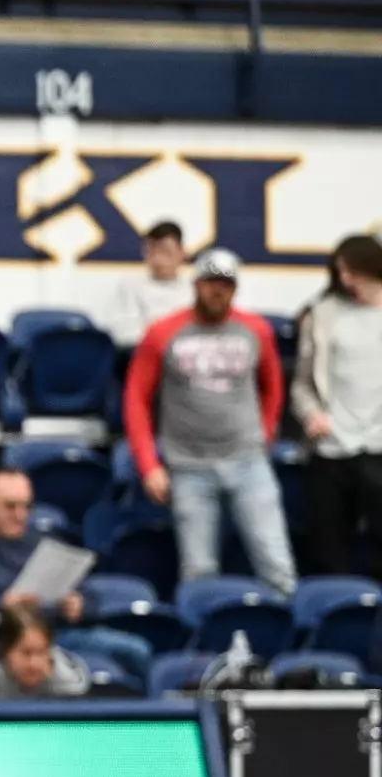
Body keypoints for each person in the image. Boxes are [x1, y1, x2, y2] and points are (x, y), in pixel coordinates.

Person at [124, 247, 298, 597]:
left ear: (234, 289)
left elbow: (273, 387)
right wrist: (148, 465)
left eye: (226, 284)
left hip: (248, 461)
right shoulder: (163, 332)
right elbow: (136, 400)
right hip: (189, 466)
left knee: (277, 565)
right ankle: (204, 651)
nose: (217, 291)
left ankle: (284, 646)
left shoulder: (256, 330)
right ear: (196, 283)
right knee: (198, 573)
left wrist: (264, 430)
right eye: (211, 282)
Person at [0, 469, 151, 677]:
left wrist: (79, 604)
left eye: (27, 506)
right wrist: (1, 605)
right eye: (10, 506)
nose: (20, 515)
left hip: (58, 633)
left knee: (136, 650)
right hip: (2, 641)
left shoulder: (44, 540)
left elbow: (88, 595)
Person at [290, 234, 382, 579]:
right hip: (330, 447)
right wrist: (312, 414)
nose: (346, 281)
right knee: (329, 550)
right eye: (341, 273)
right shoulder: (322, 315)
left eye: (353, 272)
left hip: (378, 446)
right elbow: (301, 384)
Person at [0, 605, 90, 702]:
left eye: (41, 652)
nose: (34, 663)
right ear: (5, 651)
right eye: (26, 653)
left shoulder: (68, 681)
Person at [108, 221, 193, 347]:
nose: (158, 260)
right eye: (152, 252)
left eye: (166, 252)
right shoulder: (130, 286)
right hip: (144, 351)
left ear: (182, 253)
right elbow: (124, 332)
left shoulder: (193, 288)